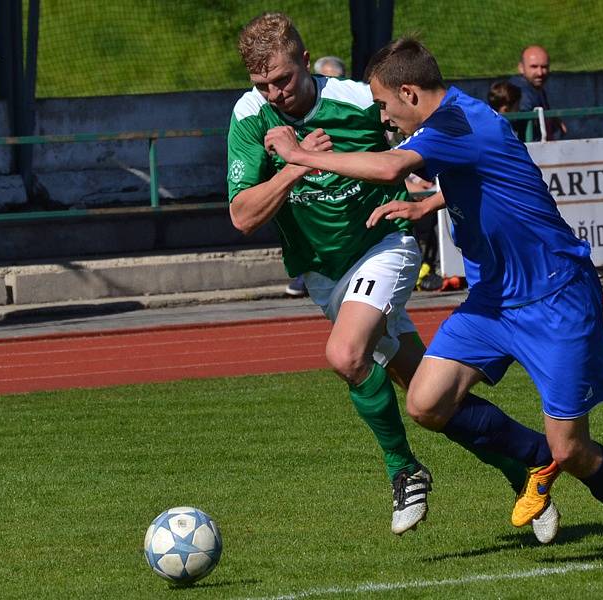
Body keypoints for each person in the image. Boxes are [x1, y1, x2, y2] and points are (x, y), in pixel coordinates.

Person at [265, 37, 603, 566]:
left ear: (409, 92)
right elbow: (480, 174)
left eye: (384, 105)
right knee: (426, 402)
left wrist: (299, 157)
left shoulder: (455, 124)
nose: (384, 117)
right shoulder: (456, 121)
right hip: (494, 299)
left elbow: (388, 168)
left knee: (575, 449)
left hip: (555, 295)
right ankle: (535, 459)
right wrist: (426, 204)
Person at [228, 13, 560, 540]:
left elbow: (438, 144)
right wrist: (295, 166)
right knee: (428, 393)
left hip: (382, 247)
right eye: (262, 84)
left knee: (345, 355)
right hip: (322, 272)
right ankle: (524, 472)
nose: (275, 94)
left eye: (284, 80)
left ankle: (403, 470)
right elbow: (243, 215)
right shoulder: (250, 117)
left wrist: (426, 200)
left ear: (306, 62)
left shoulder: (363, 101)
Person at [284, 54, 348, 297]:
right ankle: (307, 270)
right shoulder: (299, 117)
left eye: (340, 79)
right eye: (329, 80)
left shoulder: (354, 112)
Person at [509, 45, 566, 141]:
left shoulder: (535, 88)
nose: (540, 73)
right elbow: (522, 122)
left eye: (544, 67)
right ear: (521, 68)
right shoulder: (520, 91)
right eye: (534, 67)